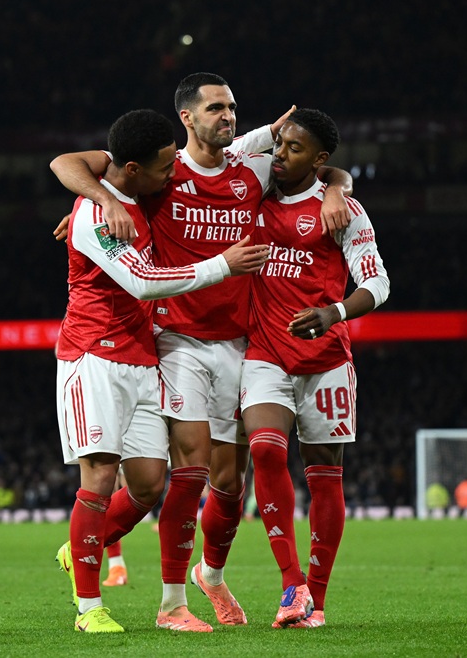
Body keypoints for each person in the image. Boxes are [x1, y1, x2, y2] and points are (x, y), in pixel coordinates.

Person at [50, 72, 353, 629]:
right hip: (175, 340)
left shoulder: (253, 167)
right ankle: (170, 603)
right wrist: (96, 201)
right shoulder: (164, 172)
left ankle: (205, 573)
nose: (228, 116)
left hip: (241, 341)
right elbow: (72, 163)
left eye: (232, 107)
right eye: (216, 108)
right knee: (187, 467)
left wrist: (336, 186)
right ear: (186, 118)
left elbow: (322, 166)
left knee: (229, 483)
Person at [52, 108, 269, 634]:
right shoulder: (94, 215)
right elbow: (145, 282)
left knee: (148, 486)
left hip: (142, 357)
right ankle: (89, 608)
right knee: (101, 477)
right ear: (130, 168)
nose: (175, 175)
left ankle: (79, 546)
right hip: (93, 358)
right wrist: (225, 265)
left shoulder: (138, 195)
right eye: (166, 168)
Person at [240, 109, 390, 628]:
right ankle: (290, 585)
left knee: (325, 477)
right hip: (264, 352)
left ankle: (317, 602)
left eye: (294, 149)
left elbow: (379, 280)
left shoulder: (343, 210)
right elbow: (210, 165)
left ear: (320, 160)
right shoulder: (250, 194)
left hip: (326, 360)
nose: (280, 155)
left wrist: (336, 312)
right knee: (263, 448)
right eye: (279, 145)